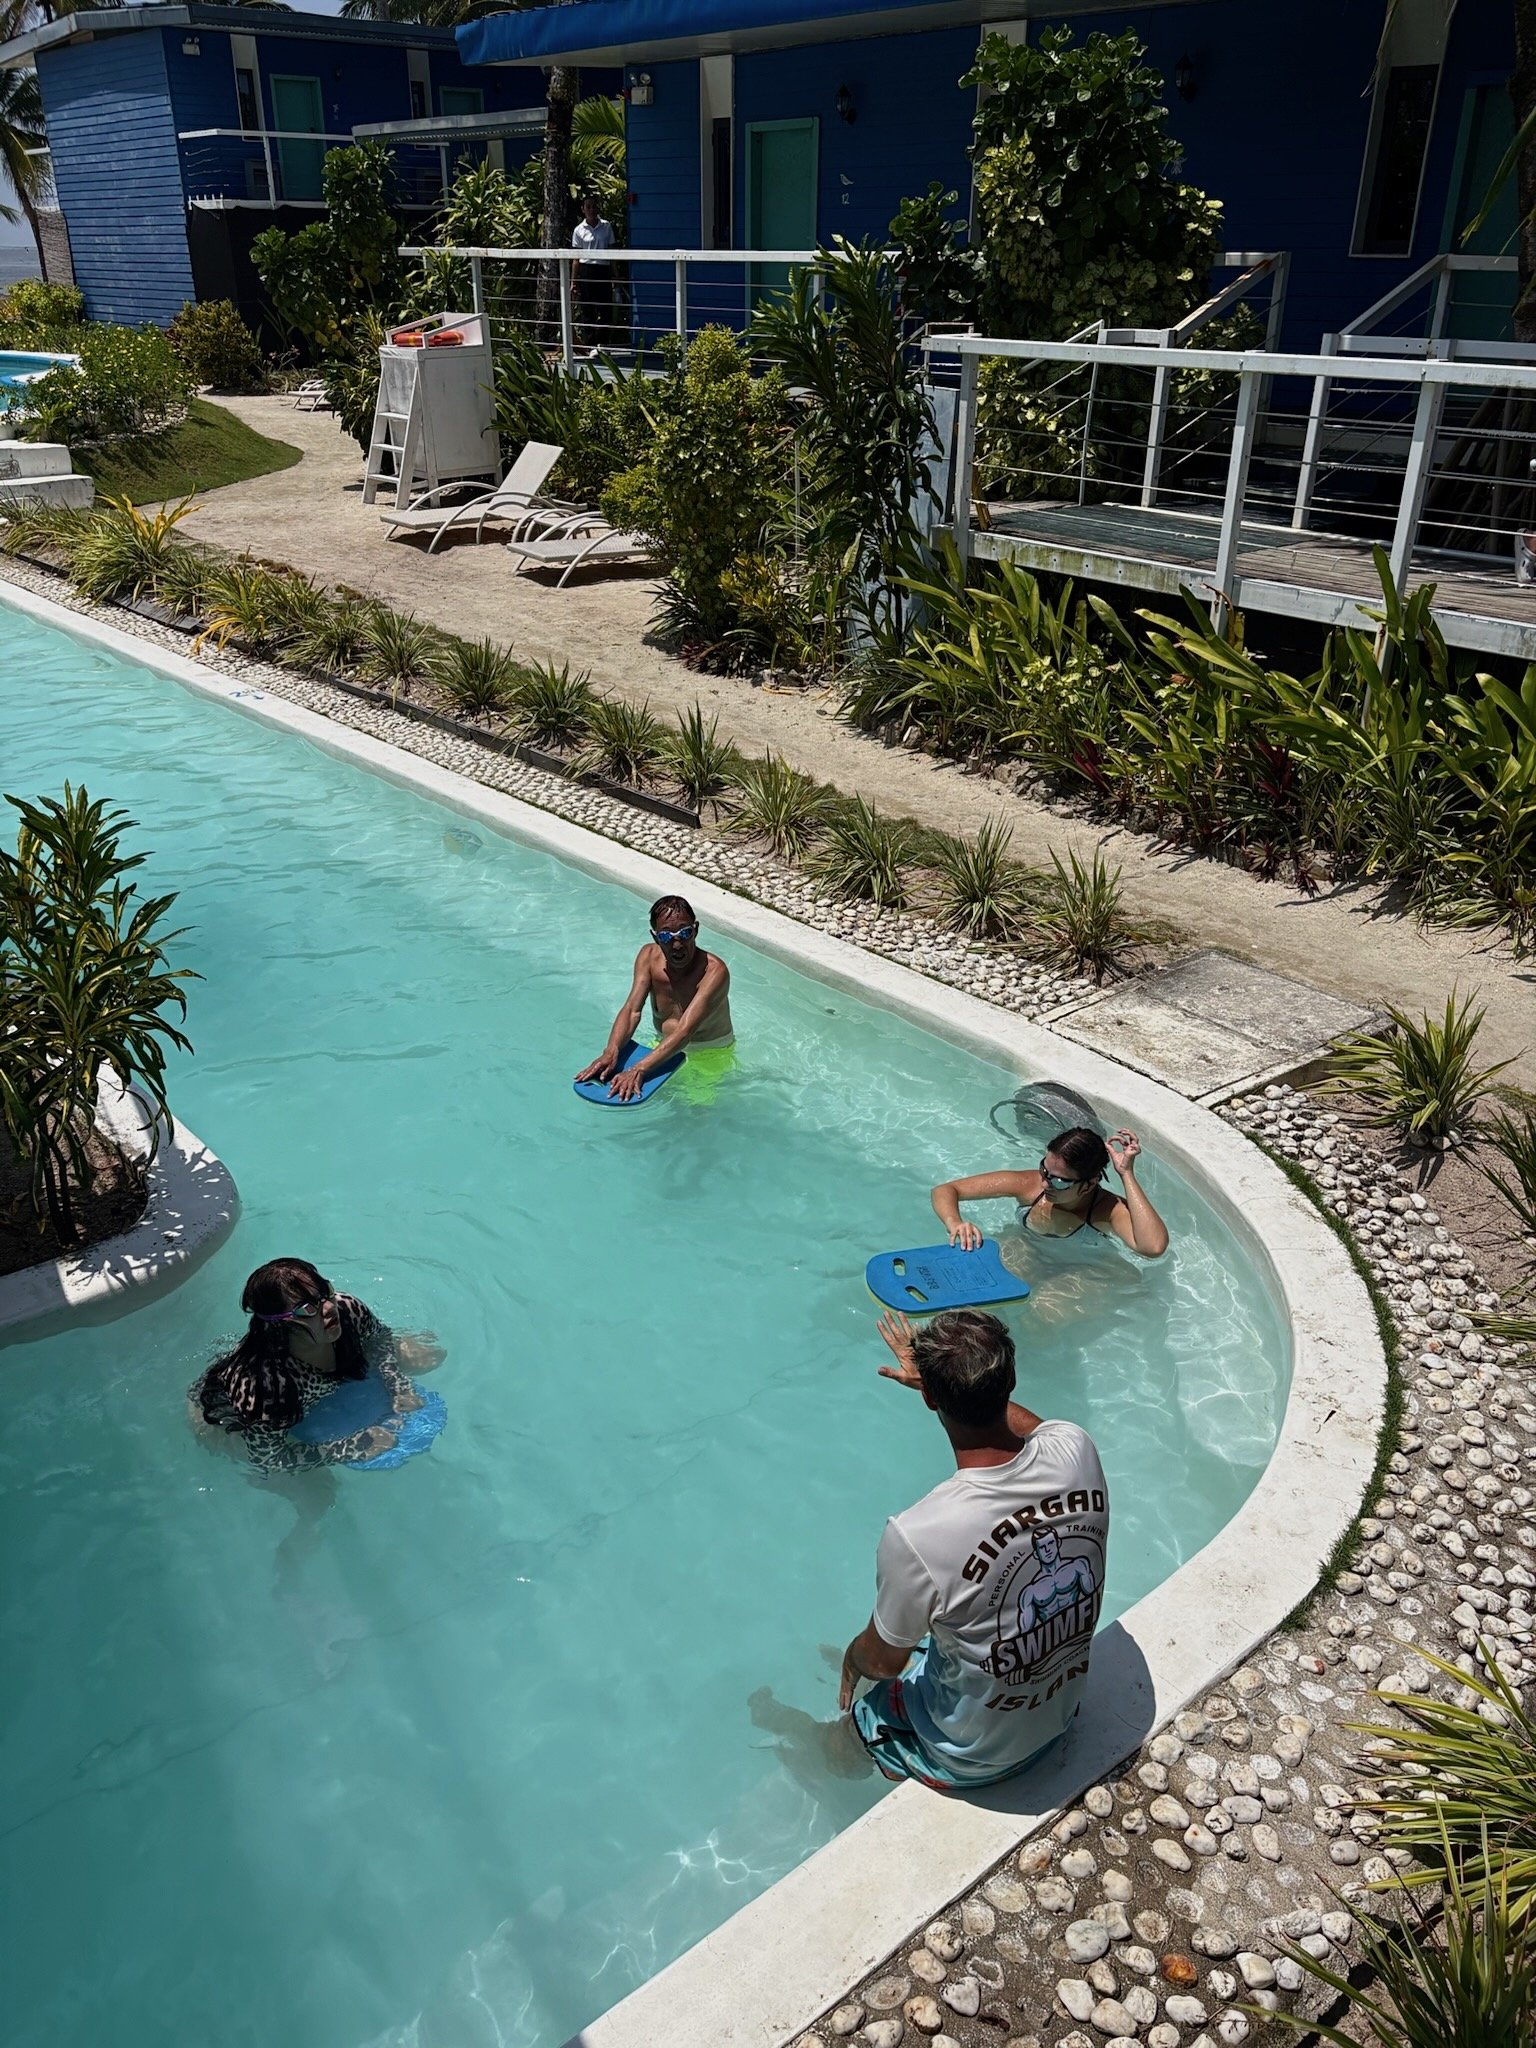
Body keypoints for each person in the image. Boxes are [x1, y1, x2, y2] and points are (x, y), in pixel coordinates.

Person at [838, 1308, 1109, 1791]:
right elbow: (1032, 1430)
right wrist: (956, 1385)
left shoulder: (917, 1535)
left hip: (973, 1758)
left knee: (854, 1711)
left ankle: (836, 1754)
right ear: (1011, 1380)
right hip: (1061, 1717)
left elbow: (882, 1664)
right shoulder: (1076, 1449)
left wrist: (852, 1659)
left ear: (929, 1398)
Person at [189, 1257, 437, 1473]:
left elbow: (379, 1339)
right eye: (307, 1308)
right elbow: (268, 1459)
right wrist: (346, 1449)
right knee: (318, 1496)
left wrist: (398, 1384)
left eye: (325, 1292)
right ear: (279, 1324)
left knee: (427, 1355)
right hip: (223, 1408)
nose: (329, 1308)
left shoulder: (348, 1309)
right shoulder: (265, 1388)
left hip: (316, 1384)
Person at [575, 894, 733, 1101]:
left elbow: (685, 1031)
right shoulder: (648, 957)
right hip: (662, 1045)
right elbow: (632, 1010)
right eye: (666, 936)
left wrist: (638, 1068)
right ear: (655, 937)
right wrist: (611, 1050)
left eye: (685, 932)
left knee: (697, 1109)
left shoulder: (714, 972)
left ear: (695, 930)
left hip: (709, 1053)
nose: (677, 944)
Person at [931, 1125, 1169, 1259]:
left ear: (1089, 1184)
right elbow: (946, 1190)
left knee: (1043, 1313)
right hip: (1026, 1252)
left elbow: (1153, 1247)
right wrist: (955, 1222)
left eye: (1060, 1181)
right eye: (1044, 1170)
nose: (1045, 1184)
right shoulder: (1029, 1184)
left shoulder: (1108, 1210)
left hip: (1079, 1270)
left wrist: (1126, 1174)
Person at [571, 193, 615, 349]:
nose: (591, 210)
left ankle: (603, 343)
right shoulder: (578, 230)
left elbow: (612, 252)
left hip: (603, 269)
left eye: (594, 206)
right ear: (583, 209)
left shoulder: (606, 226)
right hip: (586, 270)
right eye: (588, 207)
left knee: (605, 307)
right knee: (587, 308)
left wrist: (615, 276)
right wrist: (574, 281)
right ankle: (590, 344)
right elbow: (576, 258)